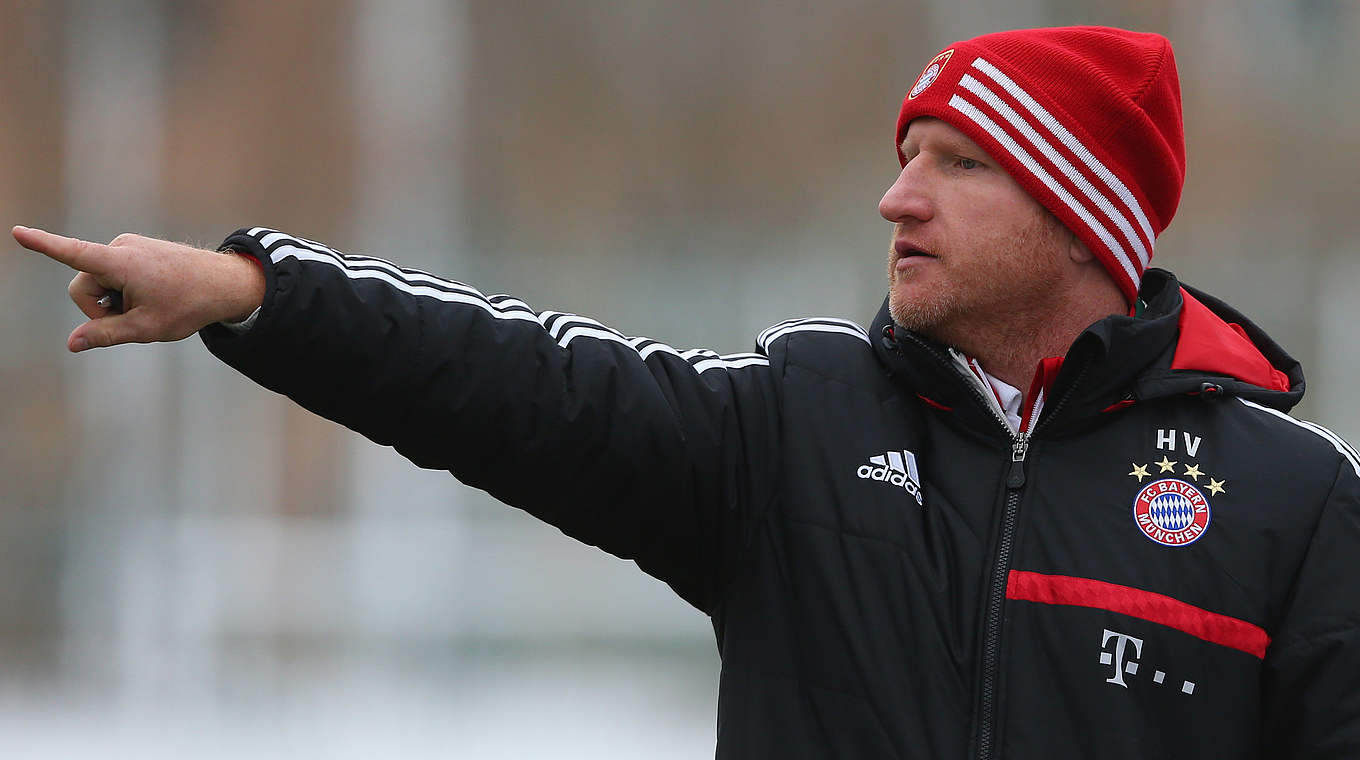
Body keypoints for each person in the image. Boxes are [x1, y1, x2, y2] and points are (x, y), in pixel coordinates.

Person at [14, 25, 1359, 759]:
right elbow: (516, 380)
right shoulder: (798, 424)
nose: (896, 195)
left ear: (1082, 217)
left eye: (958, 163)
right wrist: (260, 294)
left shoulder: (1291, 504)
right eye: (906, 155)